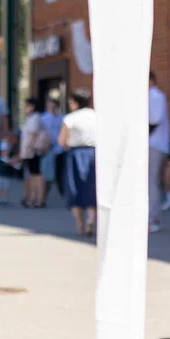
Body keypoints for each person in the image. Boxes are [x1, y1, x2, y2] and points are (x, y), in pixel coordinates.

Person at [59, 88, 97, 237]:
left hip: (76, 154)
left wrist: (67, 144)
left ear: (75, 103)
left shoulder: (71, 118)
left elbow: (62, 139)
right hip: (94, 153)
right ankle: (91, 220)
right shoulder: (97, 116)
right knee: (92, 188)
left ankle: (80, 223)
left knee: (75, 189)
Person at [18, 98, 51, 208]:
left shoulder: (35, 117)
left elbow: (33, 135)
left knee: (36, 174)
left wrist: (27, 149)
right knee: (32, 175)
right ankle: (32, 197)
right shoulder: (30, 118)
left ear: (32, 106)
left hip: (33, 151)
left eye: (26, 106)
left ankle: (39, 199)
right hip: (29, 151)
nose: (25, 108)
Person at [148, 71, 170, 233]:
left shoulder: (154, 95)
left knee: (151, 182)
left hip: (153, 144)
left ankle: (152, 218)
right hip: (153, 144)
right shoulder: (152, 95)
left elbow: (154, 120)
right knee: (150, 182)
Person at [39, 96, 66, 206]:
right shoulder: (43, 118)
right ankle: (43, 198)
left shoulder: (62, 118)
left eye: (54, 106)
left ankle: (64, 196)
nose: (52, 108)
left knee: (60, 175)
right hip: (48, 149)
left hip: (59, 149)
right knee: (47, 175)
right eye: (50, 106)